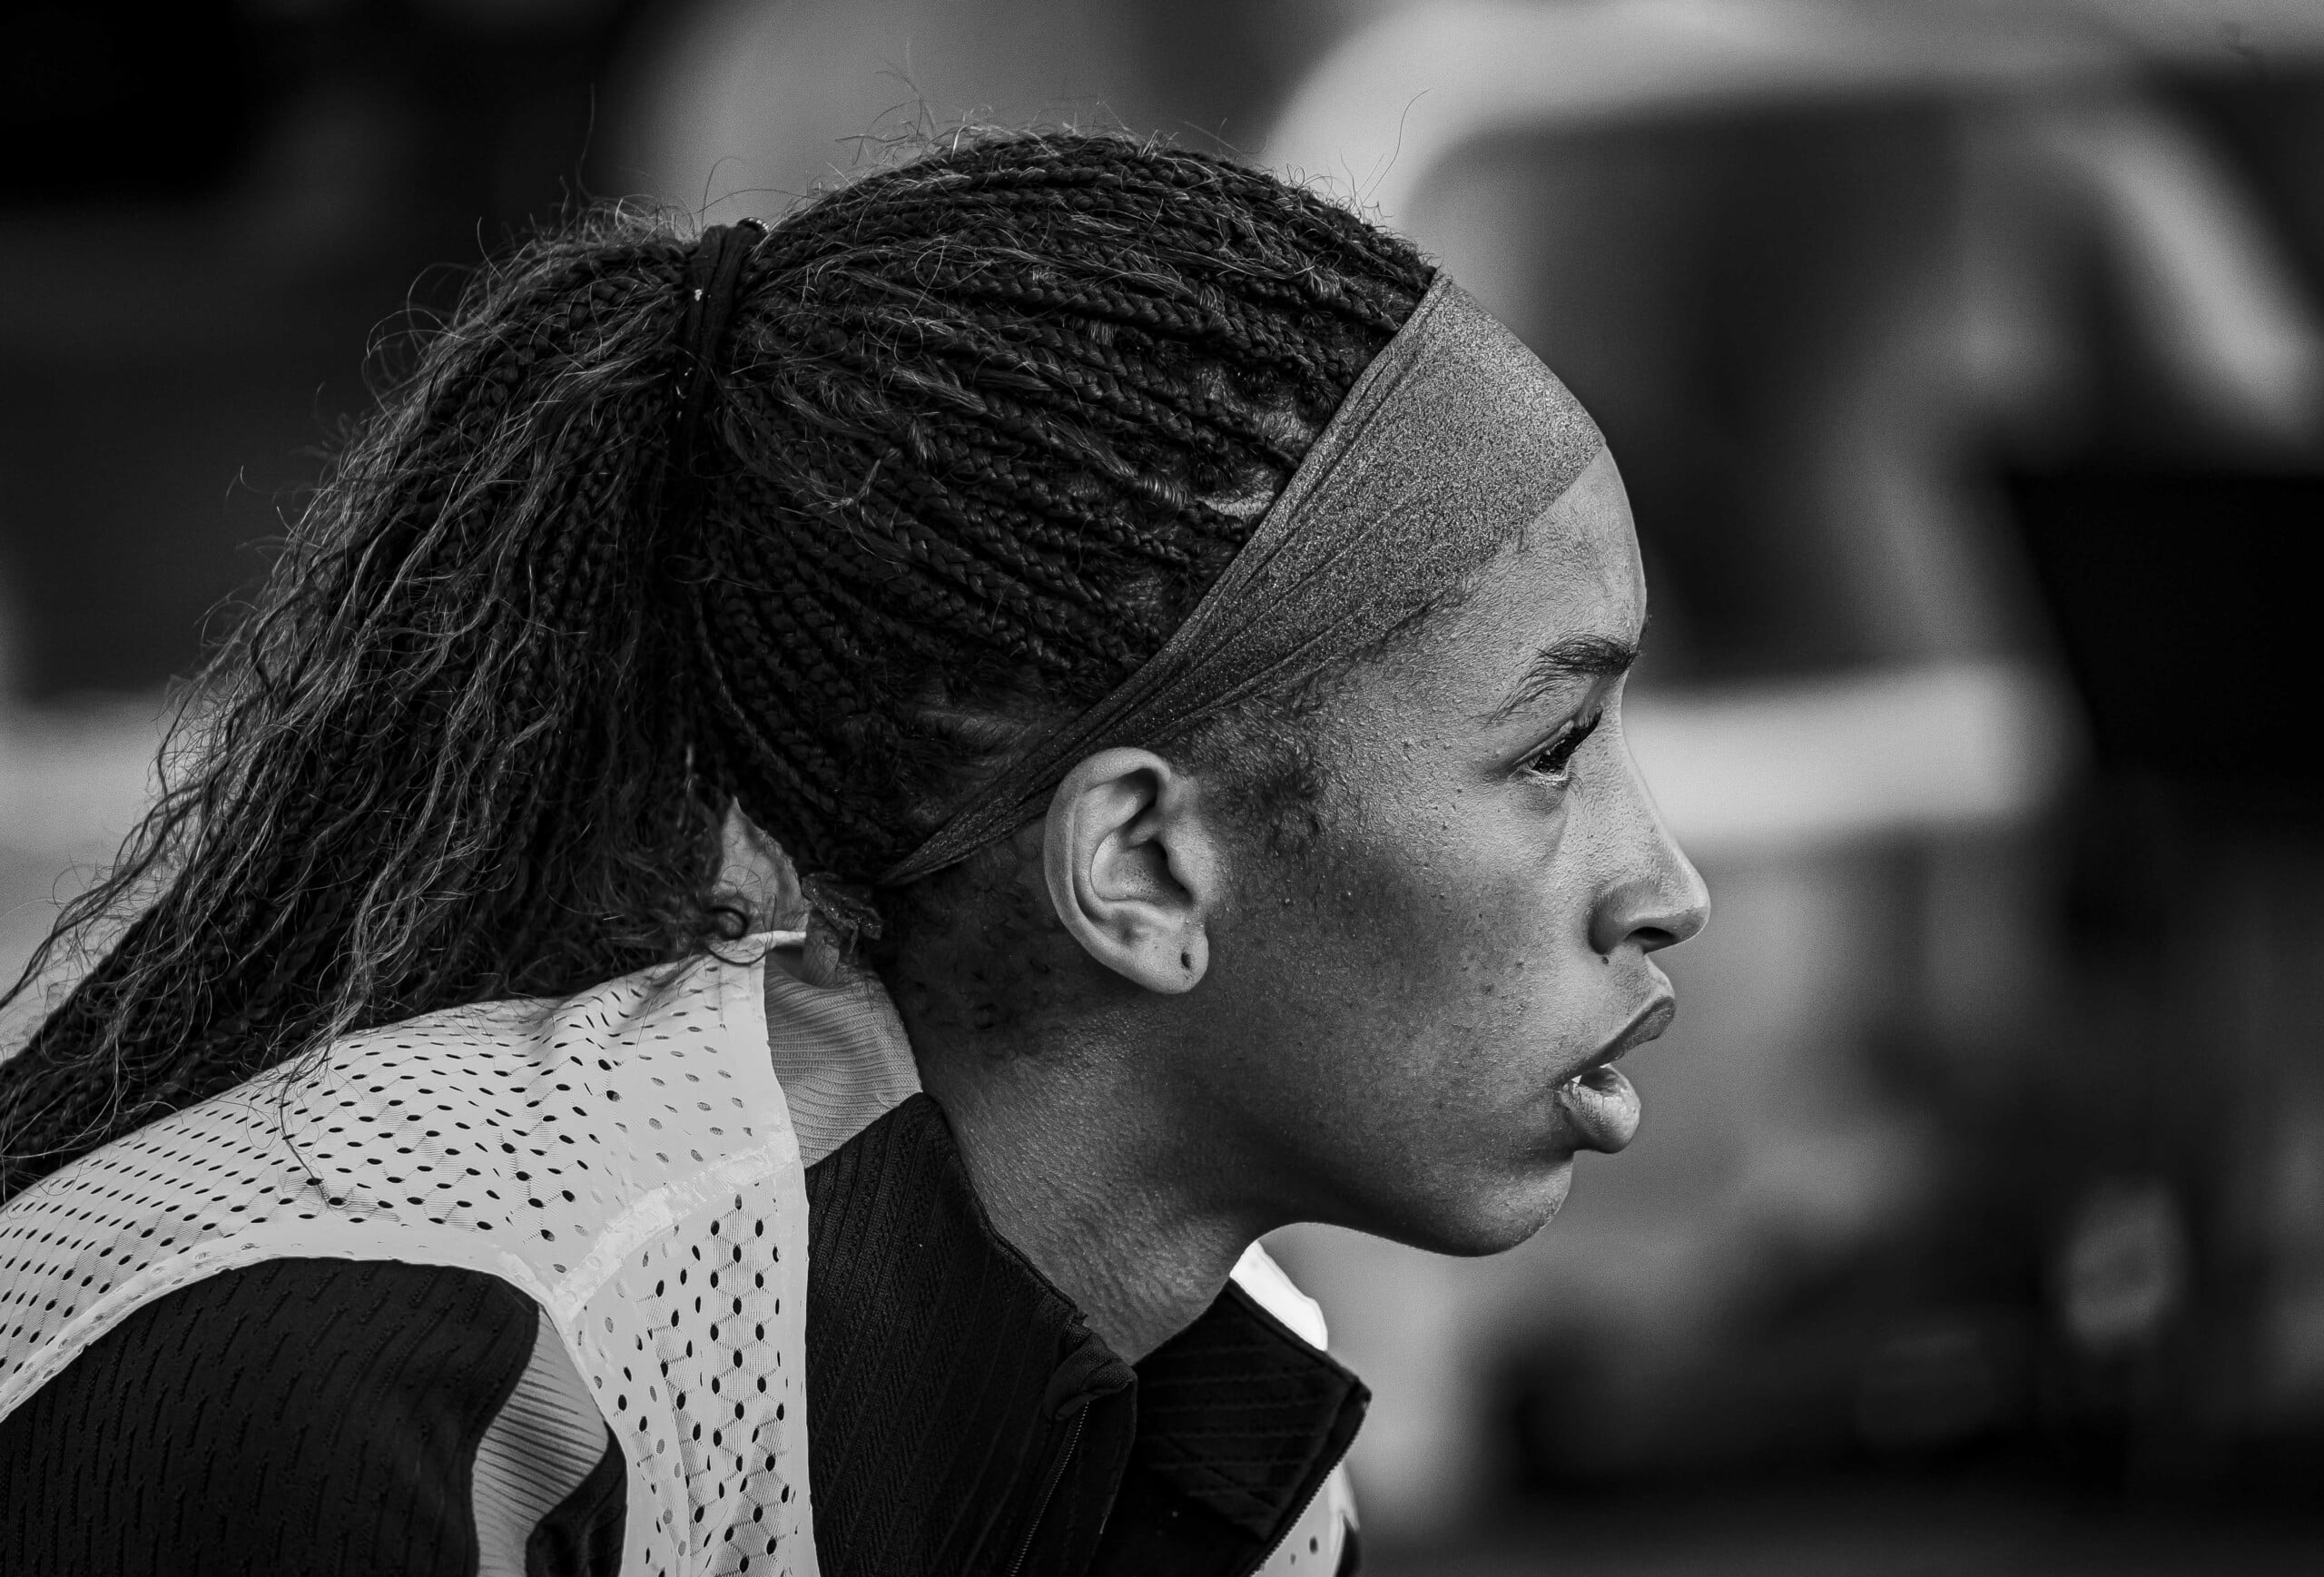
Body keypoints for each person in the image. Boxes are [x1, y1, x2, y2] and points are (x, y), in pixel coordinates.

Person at [0, 130, 1706, 1575]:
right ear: (1140, 867)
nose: (1669, 888)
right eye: (1552, 749)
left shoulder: (1223, 1441)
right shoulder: (404, 1380)